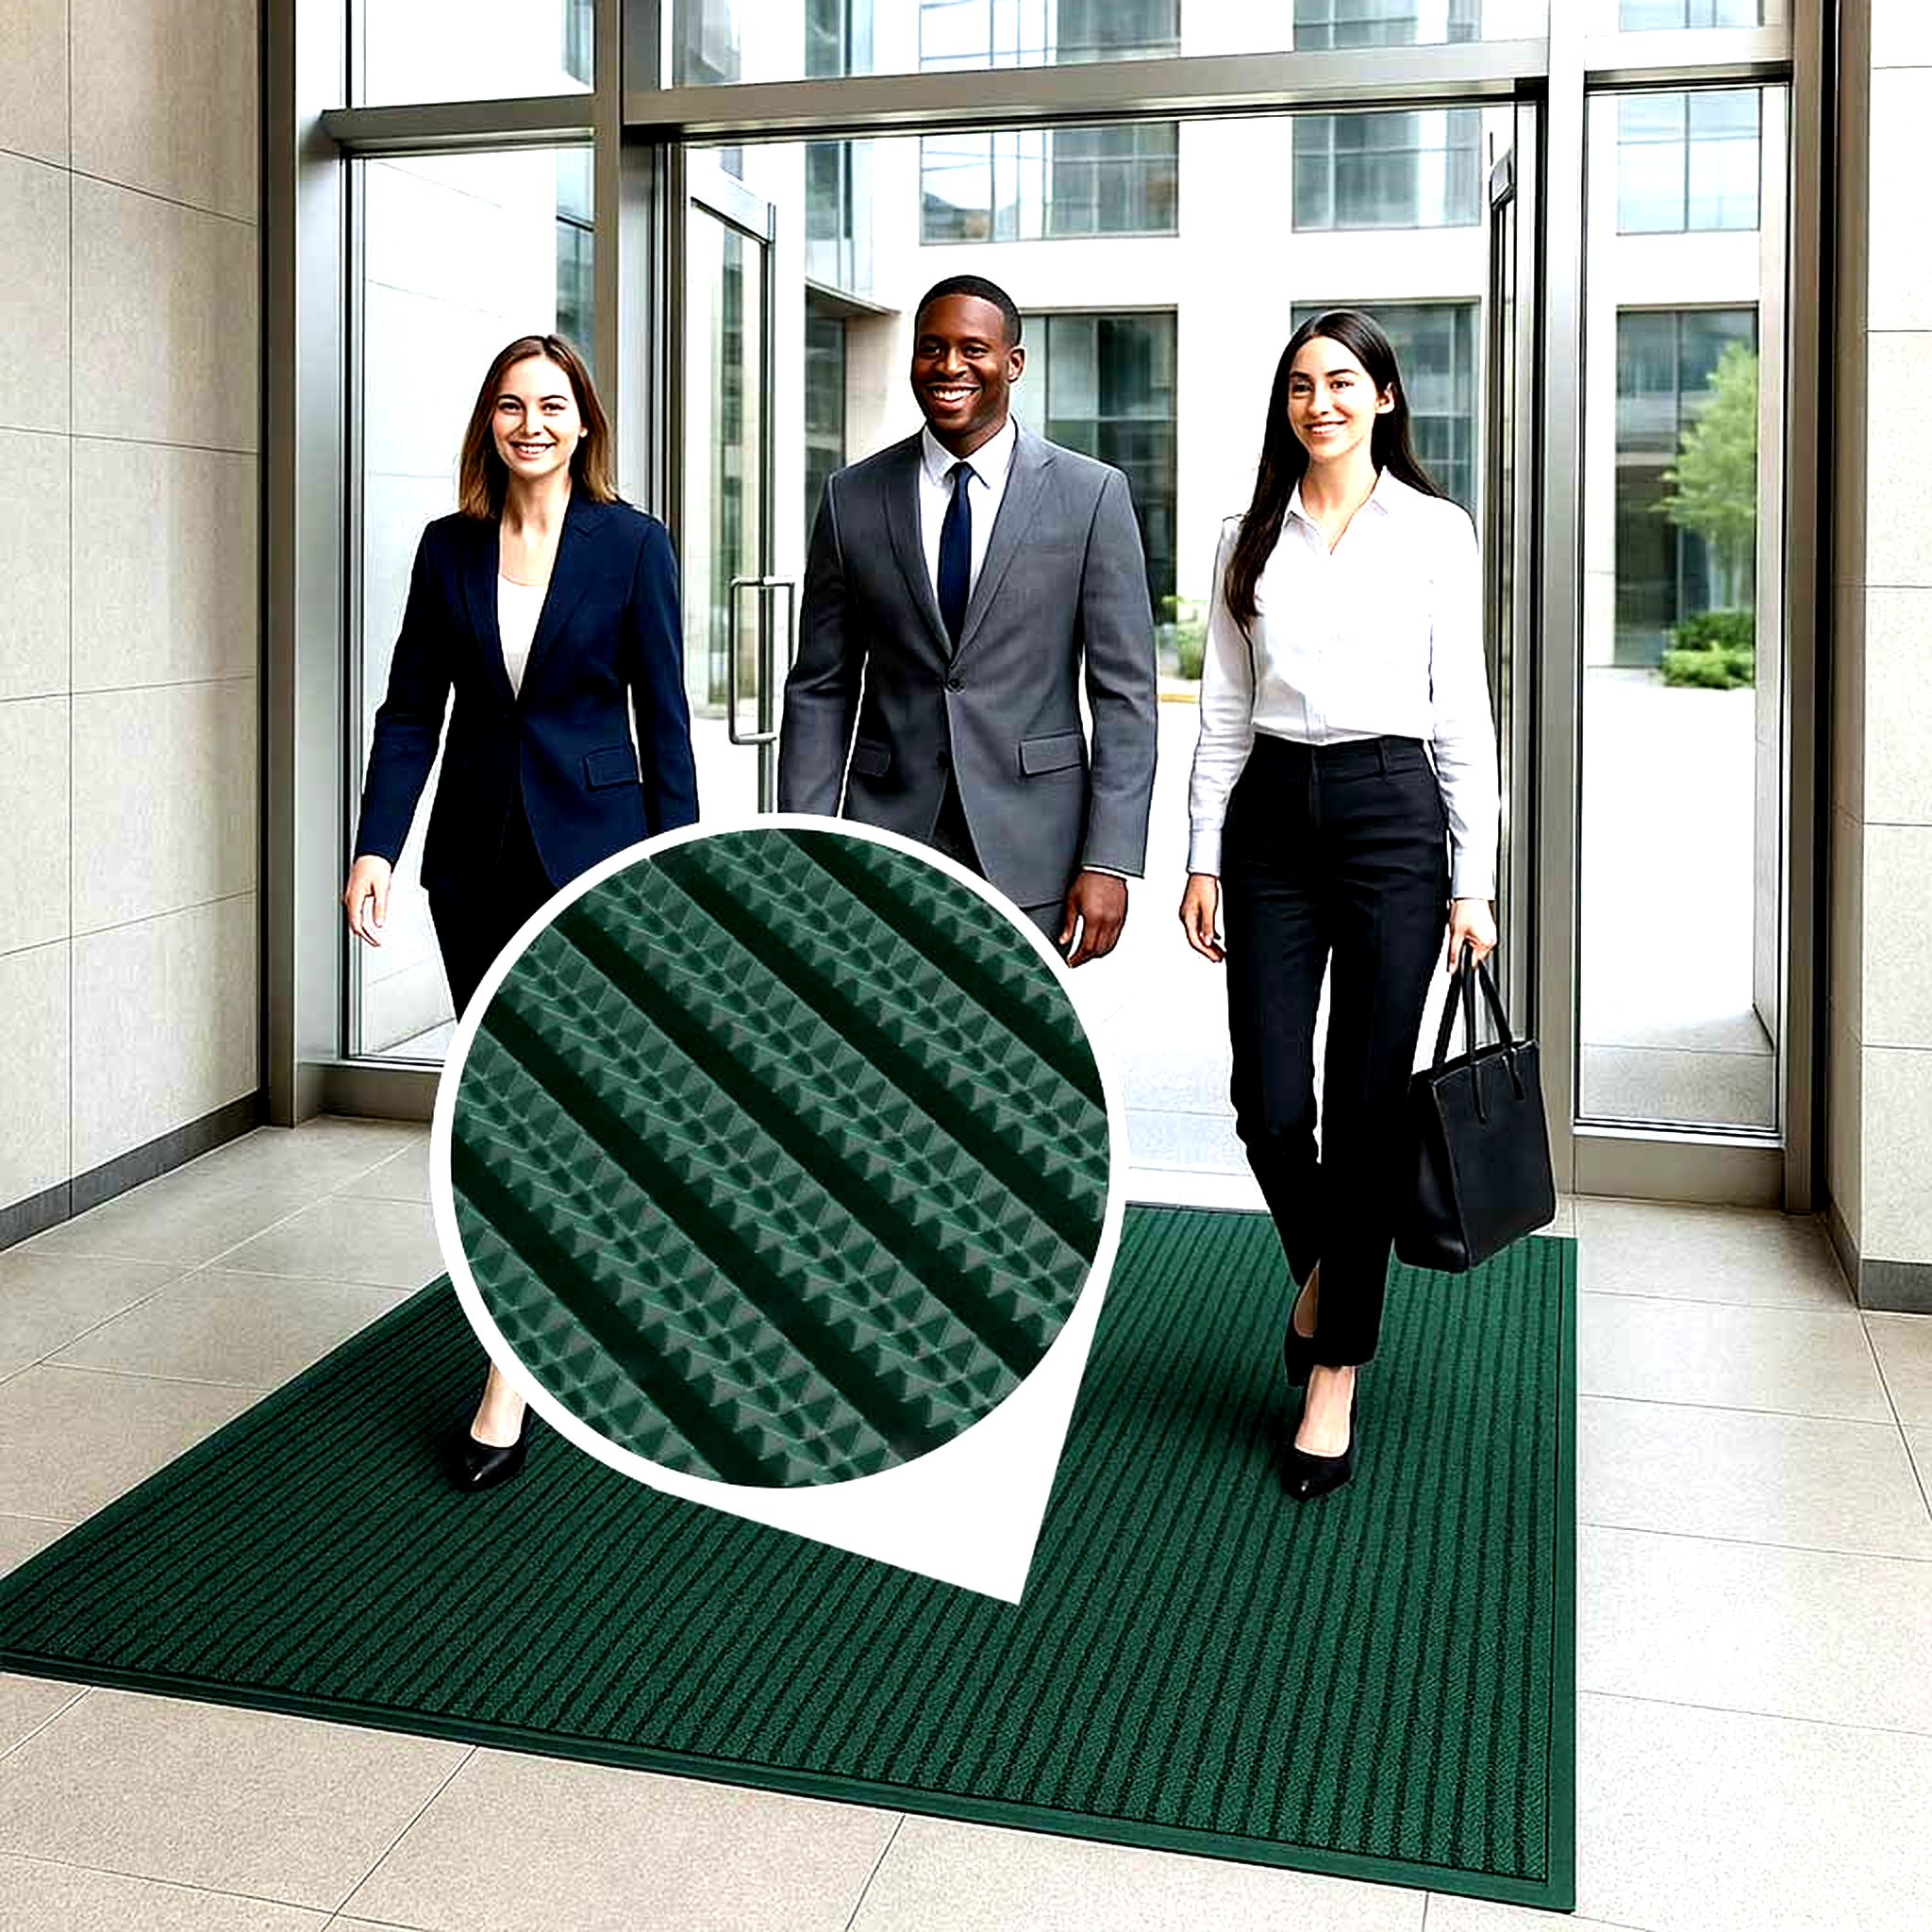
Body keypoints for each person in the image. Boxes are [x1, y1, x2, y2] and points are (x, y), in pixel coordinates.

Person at [342, 332, 698, 1493]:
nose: (530, 423)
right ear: (488, 423)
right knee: (502, 1103)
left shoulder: (632, 544)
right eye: (510, 405)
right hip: (476, 861)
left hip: (598, 855)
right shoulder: (447, 548)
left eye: (550, 405)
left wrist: (680, 872)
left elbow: (664, 717)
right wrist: (376, 845)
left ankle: (514, 1364)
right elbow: (410, 711)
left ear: (583, 421)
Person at [1178, 309, 1500, 1503]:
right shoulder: (1243, 535)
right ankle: (1325, 1278)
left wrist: (1472, 879)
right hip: (1269, 815)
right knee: (1269, 1106)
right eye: (1300, 384)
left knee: (1364, 1114)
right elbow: (1221, 709)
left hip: (1389, 814)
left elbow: (1460, 707)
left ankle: (1332, 1375)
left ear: (1383, 398)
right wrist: (1200, 856)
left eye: (1342, 381)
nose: (1319, 400)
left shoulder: (1433, 530)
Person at [777, 275, 1158, 962]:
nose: (949, 366)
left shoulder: (1092, 495)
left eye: (972, 349)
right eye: (931, 348)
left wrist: (1109, 858)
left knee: (1020, 1030)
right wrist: (806, 841)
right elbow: (820, 687)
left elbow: (1124, 696)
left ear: (1013, 362)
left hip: (1035, 845)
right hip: (886, 833)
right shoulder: (851, 497)